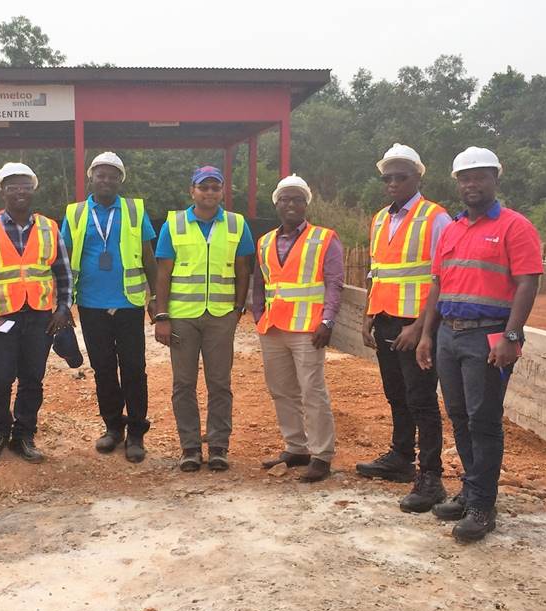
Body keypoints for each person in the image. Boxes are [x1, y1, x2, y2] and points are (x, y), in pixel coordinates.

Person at [416, 147, 543, 543]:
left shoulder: (514, 226)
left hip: (488, 336)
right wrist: (426, 334)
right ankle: (471, 491)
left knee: (483, 419)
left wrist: (510, 334)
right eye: (464, 178)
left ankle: (482, 506)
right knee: (459, 415)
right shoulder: (452, 229)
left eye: (479, 176)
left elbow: (528, 282)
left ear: (495, 179)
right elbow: (438, 284)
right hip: (449, 335)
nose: (471, 184)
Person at [356, 144, 453, 513]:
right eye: (388, 178)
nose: (393, 183)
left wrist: (420, 327)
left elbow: (441, 277)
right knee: (396, 394)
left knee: (422, 400)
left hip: (416, 325)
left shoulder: (436, 218)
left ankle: (430, 477)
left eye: (401, 176)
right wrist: (368, 313)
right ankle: (400, 456)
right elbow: (376, 269)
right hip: (384, 318)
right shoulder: (381, 219)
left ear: (417, 177)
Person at [0, 162, 73, 464]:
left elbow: (62, 271)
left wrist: (63, 308)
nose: (19, 191)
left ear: (33, 190)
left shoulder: (49, 227)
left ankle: (24, 435)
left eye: (25, 186)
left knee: (33, 378)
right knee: (0, 377)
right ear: (2, 192)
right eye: (12, 186)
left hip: (40, 316)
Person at [153, 165, 255, 472]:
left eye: (215, 187)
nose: (209, 192)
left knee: (219, 383)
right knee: (183, 383)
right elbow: (164, 273)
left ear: (223, 191)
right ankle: (190, 447)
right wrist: (162, 315)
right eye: (203, 187)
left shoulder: (237, 225)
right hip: (182, 317)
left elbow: (242, 270)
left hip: (221, 316)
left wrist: (238, 309)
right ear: (192, 191)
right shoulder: (175, 223)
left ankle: (219, 445)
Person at [61, 152, 158, 463]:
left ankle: (136, 433)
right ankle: (113, 428)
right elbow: (64, 260)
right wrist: (63, 302)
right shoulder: (75, 213)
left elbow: (148, 256)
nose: (106, 180)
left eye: (112, 175)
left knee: (133, 369)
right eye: (100, 174)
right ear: (91, 177)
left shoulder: (134, 210)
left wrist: (155, 296)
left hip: (128, 303)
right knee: (103, 369)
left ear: (120, 180)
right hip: (90, 304)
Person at [254, 175, 344, 483]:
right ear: (276, 203)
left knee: (312, 391)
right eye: (285, 199)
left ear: (306, 204)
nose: (290, 204)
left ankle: (321, 454)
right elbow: (260, 282)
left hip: (308, 328)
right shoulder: (265, 241)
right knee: (281, 390)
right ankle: (296, 446)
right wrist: (258, 315)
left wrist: (328, 320)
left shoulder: (324, 238)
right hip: (273, 327)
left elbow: (334, 284)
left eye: (297, 199)